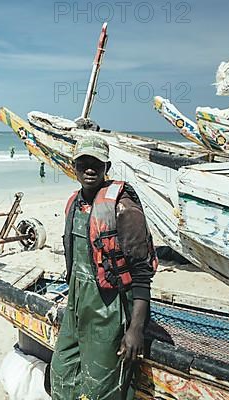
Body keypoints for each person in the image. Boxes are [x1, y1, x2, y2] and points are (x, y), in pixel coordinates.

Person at [50, 136, 158, 400]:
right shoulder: (74, 205)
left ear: (106, 166)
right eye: (83, 162)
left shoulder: (123, 208)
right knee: (61, 374)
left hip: (109, 310)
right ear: (73, 166)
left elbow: (142, 272)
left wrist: (135, 329)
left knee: (102, 388)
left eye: (96, 163)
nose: (89, 169)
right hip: (76, 305)